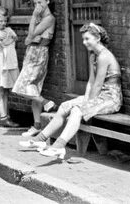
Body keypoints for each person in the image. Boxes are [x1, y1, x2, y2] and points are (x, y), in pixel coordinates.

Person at [19, 23, 122, 159]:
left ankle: (59, 146)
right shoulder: (93, 55)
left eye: (87, 39)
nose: (84, 43)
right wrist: (86, 98)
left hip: (110, 98)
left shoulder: (104, 56)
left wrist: (87, 104)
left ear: (97, 38)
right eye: (83, 39)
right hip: (99, 96)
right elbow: (91, 81)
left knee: (77, 110)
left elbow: (97, 85)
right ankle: (40, 140)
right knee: (64, 106)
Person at [13, 0, 57, 138]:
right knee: (33, 89)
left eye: (40, 2)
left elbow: (31, 34)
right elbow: (29, 39)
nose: (37, 6)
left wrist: (33, 17)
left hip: (39, 54)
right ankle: (37, 125)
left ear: (47, 1)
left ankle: (46, 102)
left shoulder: (49, 18)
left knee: (21, 86)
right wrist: (31, 38)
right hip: (32, 52)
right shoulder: (40, 18)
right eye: (35, 3)